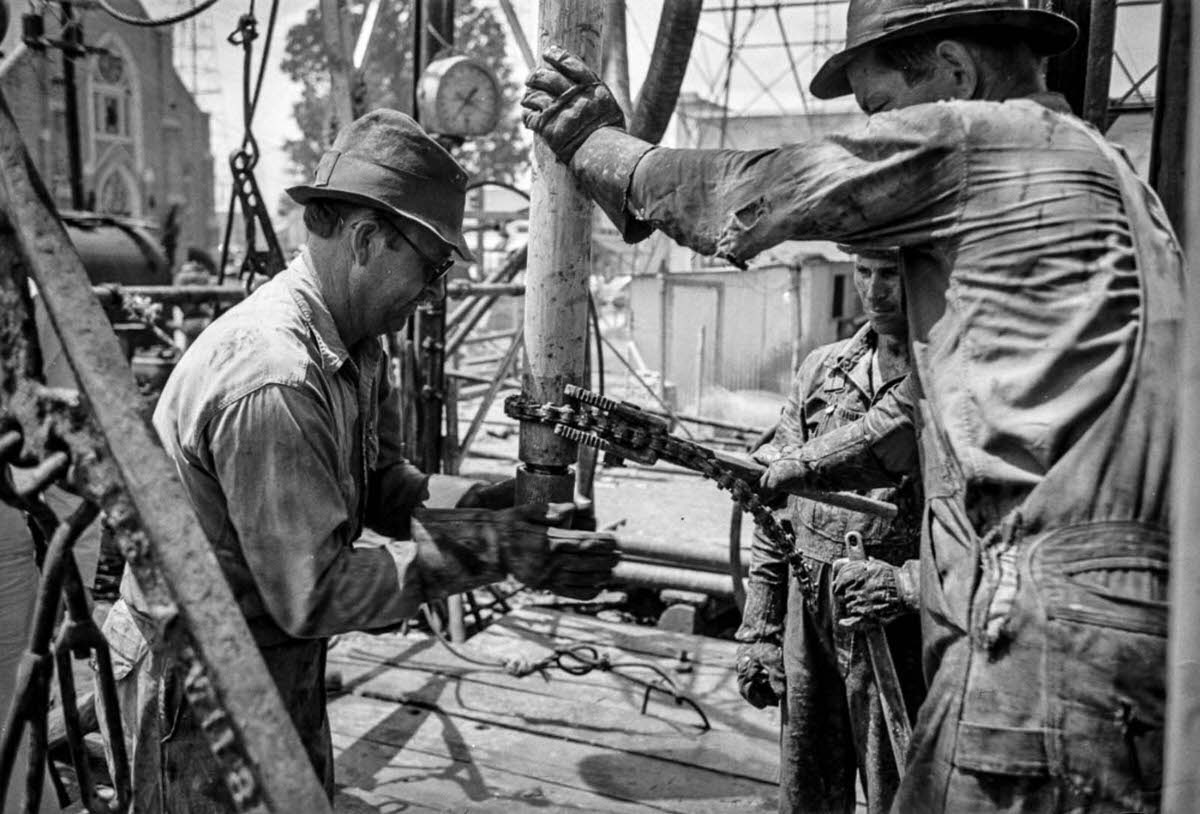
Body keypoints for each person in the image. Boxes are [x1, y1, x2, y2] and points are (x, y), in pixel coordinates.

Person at [520, 0, 1180, 810]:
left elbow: (747, 191)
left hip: (1039, 640)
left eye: (877, 114)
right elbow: (916, 419)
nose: (875, 139)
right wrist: (797, 468)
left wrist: (595, 144)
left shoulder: (984, 139)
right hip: (1130, 648)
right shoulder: (1117, 186)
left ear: (955, 72)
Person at [106, 109, 619, 812]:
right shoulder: (275, 379)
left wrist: (489, 504)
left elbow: (384, 486)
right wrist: (490, 550)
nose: (437, 290)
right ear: (368, 239)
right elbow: (314, 595)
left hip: (273, 660)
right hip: (201, 690)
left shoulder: (356, 344)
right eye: (433, 266)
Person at [735, 248, 924, 814]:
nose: (875, 290)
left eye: (891, 273)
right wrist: (760, 630)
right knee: (807, 788)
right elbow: (776, 506)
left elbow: (980, 528)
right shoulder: (823, 369)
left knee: (904, 787)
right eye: (864, 272)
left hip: (899, 626)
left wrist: (908, 582)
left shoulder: (947, 377)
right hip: (809, 615)